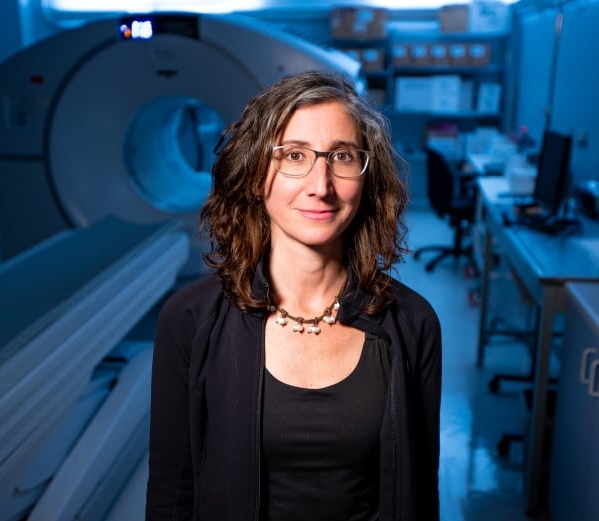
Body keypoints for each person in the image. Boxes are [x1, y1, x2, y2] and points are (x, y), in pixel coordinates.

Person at [146, 70, 441, 521]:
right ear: (255, 174)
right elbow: (172, 490)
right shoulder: (189, 320)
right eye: (294, 156)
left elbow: (419, 493)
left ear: (366, 177)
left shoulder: (413, 324)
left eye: (342, 156)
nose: (320, 186)